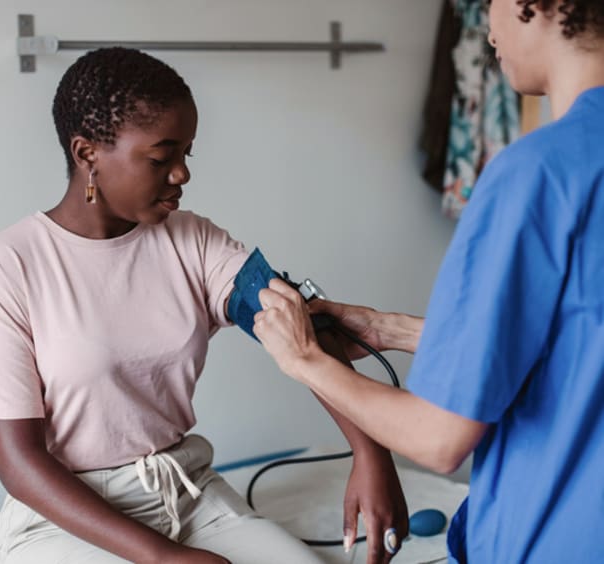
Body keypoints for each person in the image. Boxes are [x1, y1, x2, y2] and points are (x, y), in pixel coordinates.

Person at [0, 47, 407, 564]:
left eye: (187, 154)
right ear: (87, 155)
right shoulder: (8, 265)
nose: (181, 175)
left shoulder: (193, 240)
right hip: (65, 519)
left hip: (186, 494)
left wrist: (371, 454)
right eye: (160, 158)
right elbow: (19, 463)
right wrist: (160, 556)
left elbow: (300, 330)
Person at [253, 0, 604, 562]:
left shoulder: (536, 176)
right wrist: (390, 329)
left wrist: (304, 360)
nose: (486, 24)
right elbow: (578, 337)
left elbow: (439, 440)